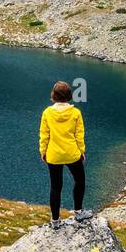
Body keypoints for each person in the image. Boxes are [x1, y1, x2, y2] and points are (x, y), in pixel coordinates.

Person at [39, 80, 89, 230]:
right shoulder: (75, 113)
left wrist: (43, 151)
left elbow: (44, 135)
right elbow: (79, 135)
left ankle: (55, 221)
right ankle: (79, 213)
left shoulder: (47, 113)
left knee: (56, 187)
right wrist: (81, 151)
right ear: (70, 96)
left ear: (53, 96)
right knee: (79, 181)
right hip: (72, 154)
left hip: (53, 155)